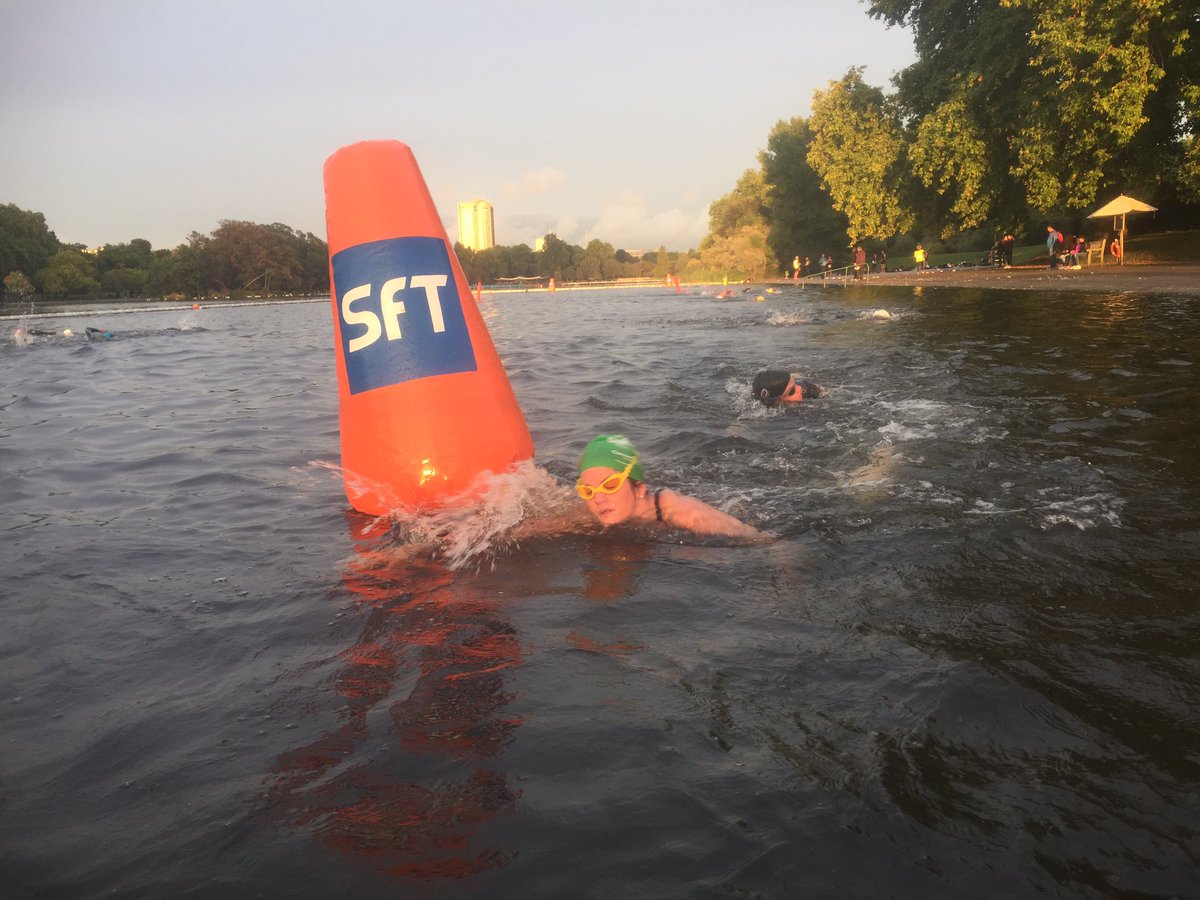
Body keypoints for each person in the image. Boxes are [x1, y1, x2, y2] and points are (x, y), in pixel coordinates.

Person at [576, 434, 759, 539]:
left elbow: (753, 537)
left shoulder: (682, 512)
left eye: (610, 485)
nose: (598, 499)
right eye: (587, 490)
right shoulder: (592, 513)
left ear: (639, 488)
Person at [751, 370, 825, 405]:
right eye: (791, 391)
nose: (799, 388)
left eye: (795, 382)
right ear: (775, 401)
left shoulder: (809, 390)